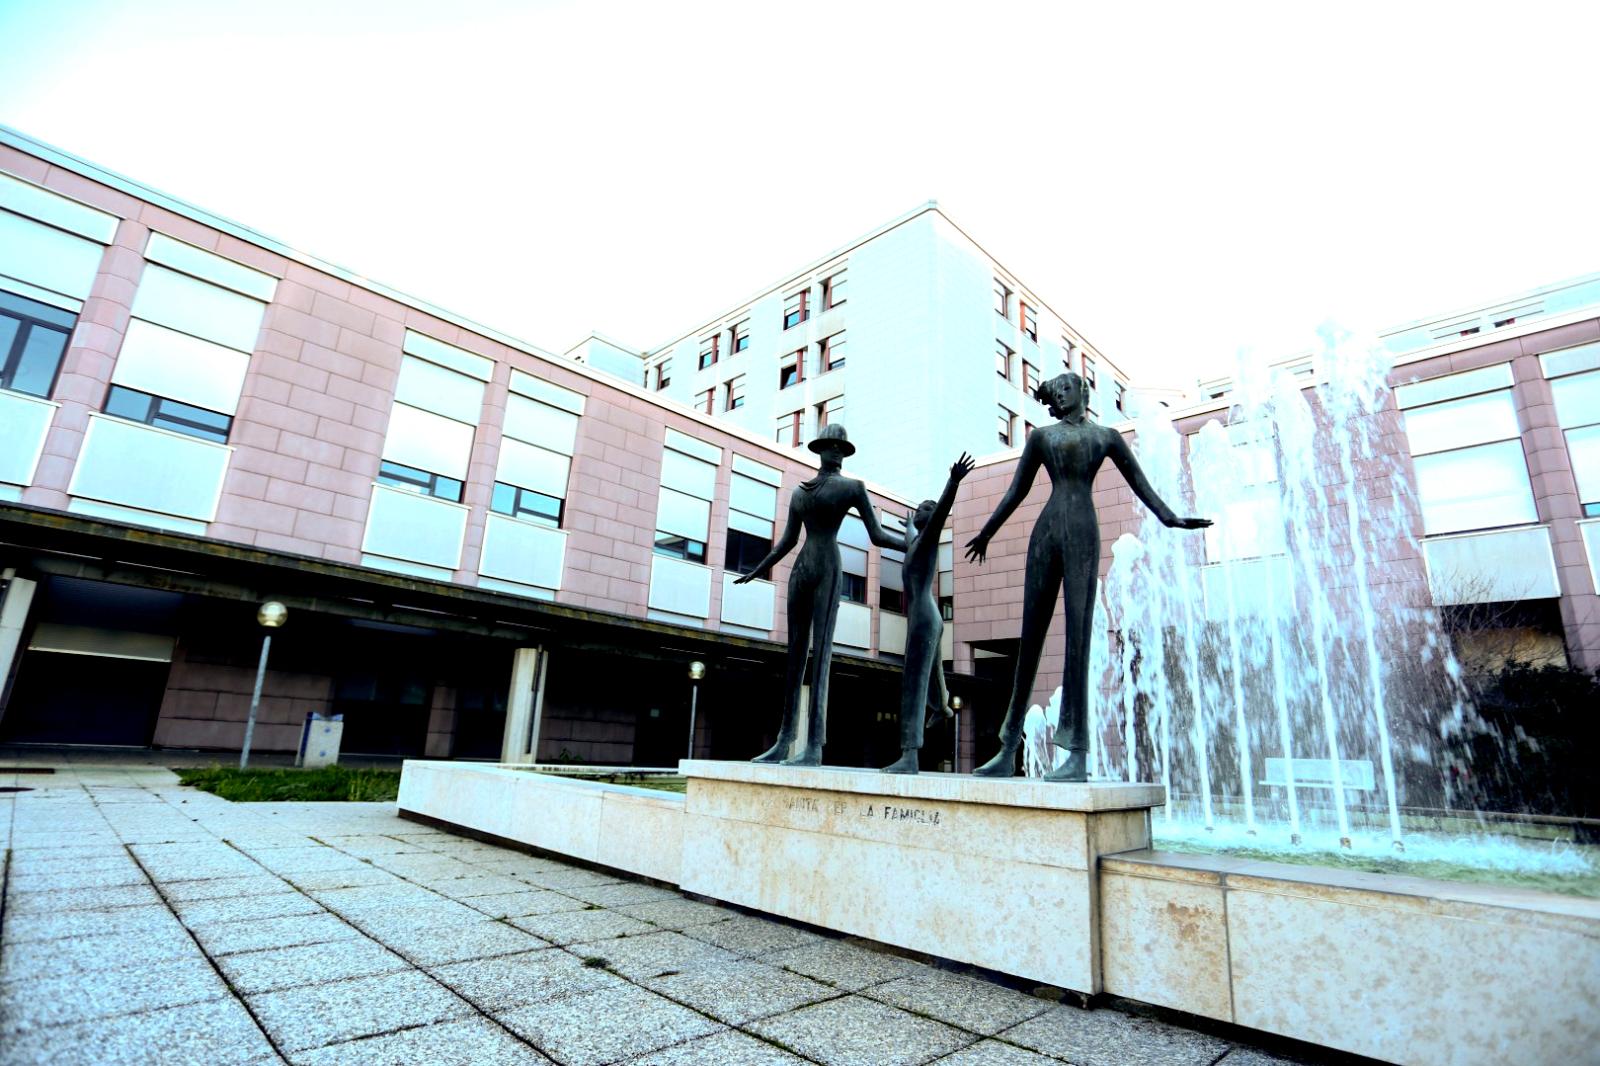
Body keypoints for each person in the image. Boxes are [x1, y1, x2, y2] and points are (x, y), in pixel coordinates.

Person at [965, 373, 1210, 781]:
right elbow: (1017, 490)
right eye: (1056, 391)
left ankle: (1077, 752)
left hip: (1082, 533)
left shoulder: (1106, 437)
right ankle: (1007, 749)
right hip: (1045, 534)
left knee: (1079, 639)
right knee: (1030, 639)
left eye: (1067, 388)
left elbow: (1140, 484)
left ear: (1083, 392)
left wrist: (1170, 518)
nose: (1060, 395)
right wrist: (987, 532)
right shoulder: (1041, 437)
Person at [735, 424, 906, 766]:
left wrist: (911, 544)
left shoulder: (853, 488)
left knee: (822, 655)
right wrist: (758, 569)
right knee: (794, 657)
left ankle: (814, 746)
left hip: (828, 566)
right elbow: (787, 541)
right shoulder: (800, 493)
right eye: (832, 446)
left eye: (842, 448)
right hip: (802, 571)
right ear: (821, 449)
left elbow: (876, 535)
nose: (837, 452)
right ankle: (784, 741)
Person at [884, 452, 974, 774]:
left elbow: (942, 509)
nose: (920, 510)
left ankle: (910, 754)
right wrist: (910, 525)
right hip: (927, 616)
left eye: (926, 508)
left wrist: (953, 482)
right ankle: (944, 707)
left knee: (913, 680)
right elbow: (911, 535)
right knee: (932, 672)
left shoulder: (930, 537)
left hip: (923, 617)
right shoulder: (916, 543)